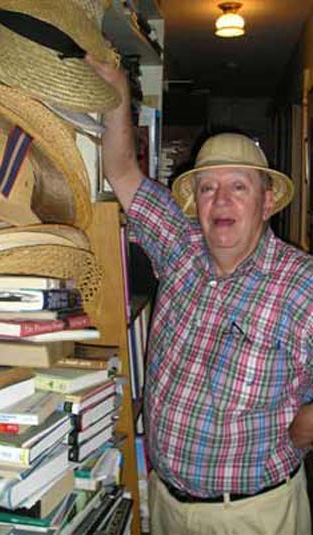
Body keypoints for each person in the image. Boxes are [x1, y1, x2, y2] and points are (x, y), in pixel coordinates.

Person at [86, 55, 313, 535]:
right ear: (195, 204)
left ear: (267, 200)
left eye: (238, 187)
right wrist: (116, 93)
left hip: (253, 516)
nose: (221, 200)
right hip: (166, 503)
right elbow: (122, 172)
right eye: (208, 188)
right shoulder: (180, 247)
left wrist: (299, 433)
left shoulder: (302, 285)